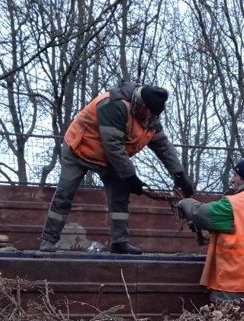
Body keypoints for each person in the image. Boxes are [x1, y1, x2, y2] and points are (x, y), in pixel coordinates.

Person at [38, 81, 194, 255]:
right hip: (79, 149)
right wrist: (131, 177)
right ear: (141, 106)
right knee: (64, 193)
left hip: (109, 159)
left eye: (154, 116)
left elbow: (164, 147)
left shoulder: (151, 119)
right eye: (149, 114)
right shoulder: (114, 105)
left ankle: (120, 242)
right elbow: (113, 146)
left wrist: (179, 175)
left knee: (120, 195)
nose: (150, 119)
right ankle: (48, 241)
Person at [176, 158, 244, 303]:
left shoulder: (233, 204)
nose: (231, 179)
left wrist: (185, 202)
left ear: (243, 178)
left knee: (229, 316)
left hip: (236, 284)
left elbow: (199, 213)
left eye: (235, 175)